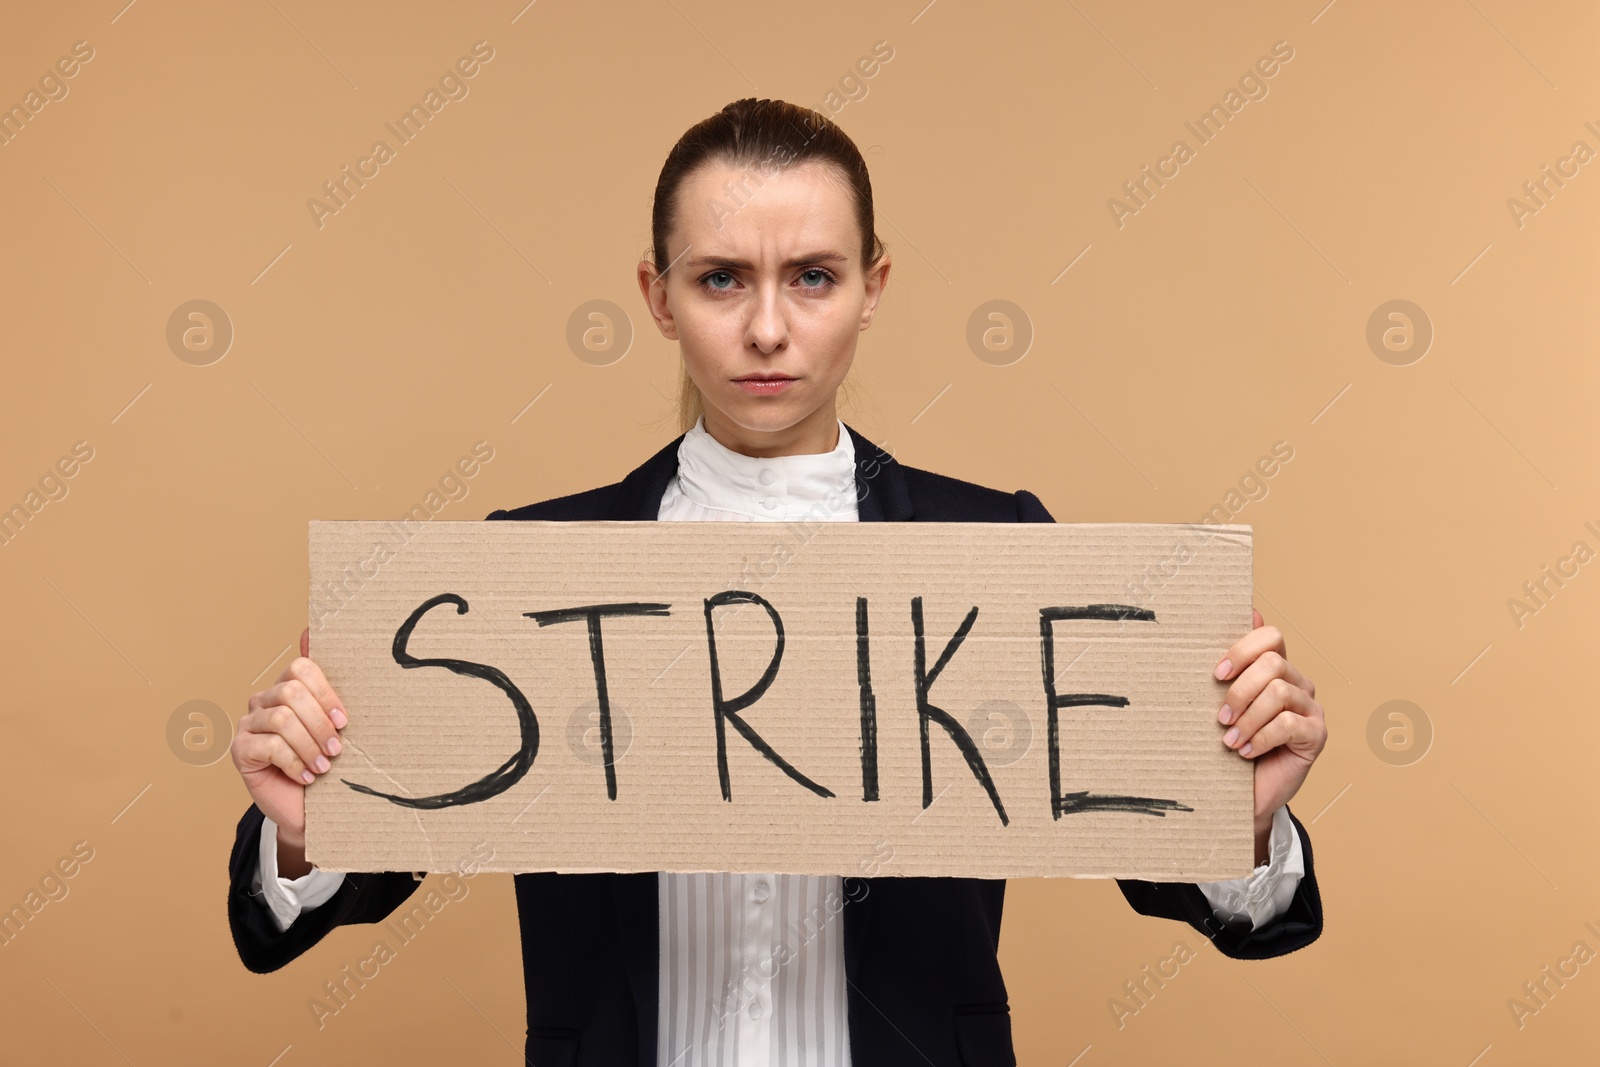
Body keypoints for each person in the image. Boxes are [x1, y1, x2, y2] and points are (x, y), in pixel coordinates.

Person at [228, 98, 1326, 1066]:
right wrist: (299, 828)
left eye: (811, 276)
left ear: (872, 287)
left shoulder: (994, 548)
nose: (766, 326)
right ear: (657, 297)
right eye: (720, 278)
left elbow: (1187, 881)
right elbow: (339, 886)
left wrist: (1241, 818)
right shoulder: (530, 568)